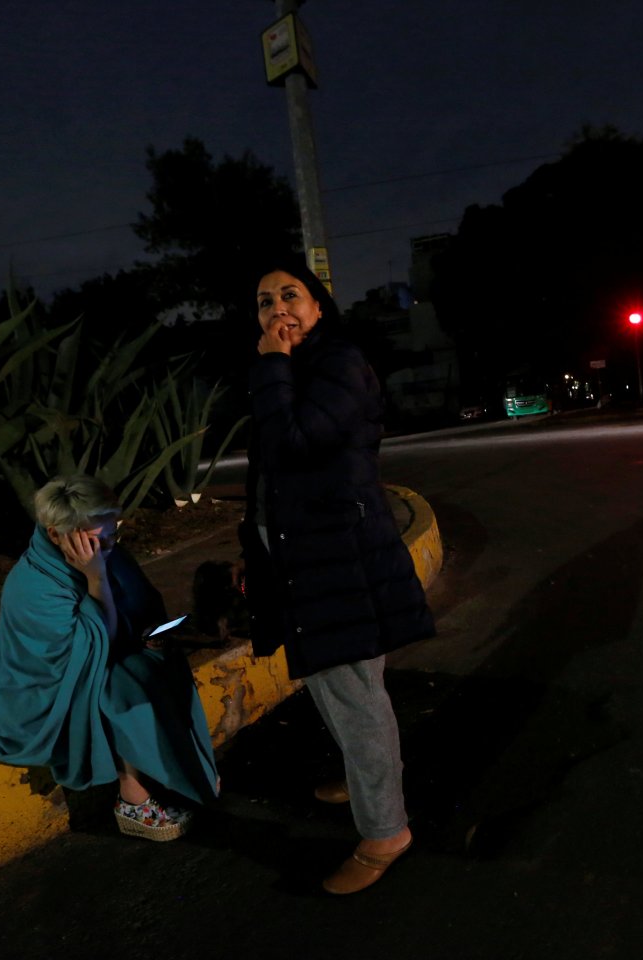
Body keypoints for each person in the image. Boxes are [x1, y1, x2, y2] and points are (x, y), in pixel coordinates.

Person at [240, 257, 436, 894]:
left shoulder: (337, 364)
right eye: (265, 302)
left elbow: (295, 445)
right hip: (305, 553)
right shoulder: (297, 368)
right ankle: (362, 778)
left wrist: (271, 365)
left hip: (337, 555)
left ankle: (386, 831)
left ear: (320, 307)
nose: (278, 310)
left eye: (291, 296)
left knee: (351, 693)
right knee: (337, 682)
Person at [0, 475, 219, 841]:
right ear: (55, 535)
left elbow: (139, 609)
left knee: (151, 664)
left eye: (114, 534)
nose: (110, 545)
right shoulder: (33, 586)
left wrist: (150, 632)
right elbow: (83, 653)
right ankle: (132, 797)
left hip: (99, 662)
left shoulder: (105, 552)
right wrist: (96, 580)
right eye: (99, 539)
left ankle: (178, 767)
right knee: (124, 681)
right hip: (45, 693)